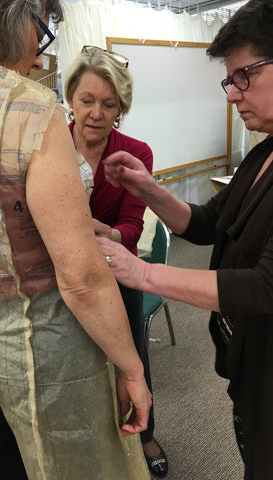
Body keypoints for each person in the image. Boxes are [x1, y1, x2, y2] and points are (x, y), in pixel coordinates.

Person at [0, 2, 152, 480]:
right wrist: (133, 370)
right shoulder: (27, 109)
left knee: (7, 461)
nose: (38, 52)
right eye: (40, 29)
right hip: (49, 329)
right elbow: (81, 278)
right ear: (11, 15)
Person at [97, 1, 273, 478]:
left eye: (244, 77)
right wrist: (147, 189)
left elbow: (263, 286)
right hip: (250, 362)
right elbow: (207, 224)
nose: (233, 95)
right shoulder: (263, 156)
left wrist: (141, 271)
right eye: (229, 80)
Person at [64, 45, 168, 477]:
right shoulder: (47, 149)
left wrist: (100, 231)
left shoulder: (134, 153)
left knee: (132, 359)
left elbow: (130, 227)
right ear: (70, 98)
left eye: (108, 104)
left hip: (115, 270)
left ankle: (144, 434)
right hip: (64, 273)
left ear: (120, 108)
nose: (96, 113)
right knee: (72, 364)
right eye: (87, 100)